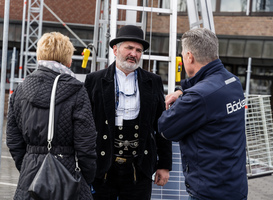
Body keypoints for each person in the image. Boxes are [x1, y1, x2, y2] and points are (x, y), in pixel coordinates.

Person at [158, 28, 248, 200]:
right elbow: (205, 90)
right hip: (234, 185)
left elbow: (166, 128)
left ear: (190, 57)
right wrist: (181, 91)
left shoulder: (200, 96)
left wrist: (179, 100)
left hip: (210, 191)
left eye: (183, 55)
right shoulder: (232, 82)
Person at [84, 25, 172, 200]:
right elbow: (83, 124)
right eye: (129, 48)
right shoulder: (94, 80)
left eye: (138, 50)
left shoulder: (153, 81)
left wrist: (164, 165)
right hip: (102, 168)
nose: (134, 54)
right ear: (115, 49)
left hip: (139, 169)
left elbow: (161, 126)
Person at [6, 32, 97, 199]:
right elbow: (86, 143)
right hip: (67, 174)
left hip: (30, 176)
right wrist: (87, 177)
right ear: (67, 59)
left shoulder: (20, 89)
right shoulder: (76, 90)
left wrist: (29, 164)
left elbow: (13, 139)